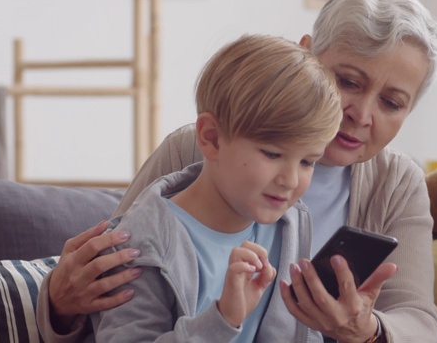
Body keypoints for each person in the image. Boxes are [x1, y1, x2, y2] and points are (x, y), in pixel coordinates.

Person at [37, 0, 437, 342]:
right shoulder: (190, 150)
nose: (361, 113)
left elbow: (420, 323)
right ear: (303, 56)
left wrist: (366, 331)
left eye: (392, 103)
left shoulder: (397, 182)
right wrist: (58, 301)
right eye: (347, 82)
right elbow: (118, 291)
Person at [90, 33, 342, 341]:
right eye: (273, 154)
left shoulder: (289, 225)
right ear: (211, 138)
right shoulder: (141, 241)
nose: (290, 180)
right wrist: (222, 320)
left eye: (307, 162)